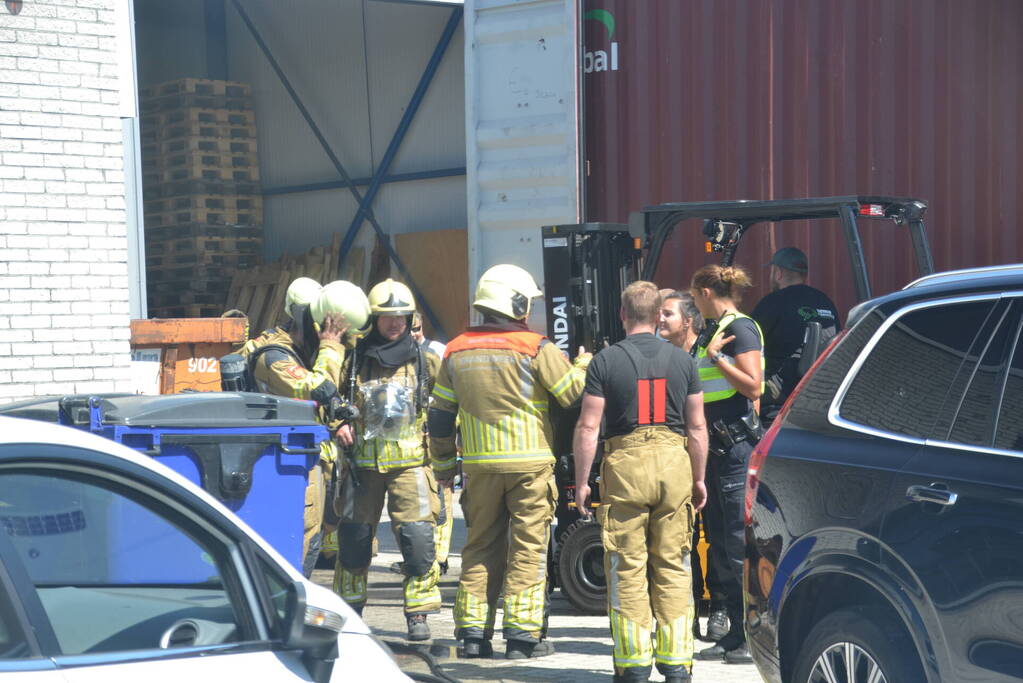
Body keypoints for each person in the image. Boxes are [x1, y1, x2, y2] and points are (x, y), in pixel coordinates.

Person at [428, 264, 590, 660]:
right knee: (527, 549)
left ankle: (471, 635)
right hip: (530, 466)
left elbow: (440, 415)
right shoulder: (536, 346)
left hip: (480, 468)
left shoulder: (455, 349)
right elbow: (571, 395)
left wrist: (444, 465)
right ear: (516, 303)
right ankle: (520, 639)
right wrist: (584, 363)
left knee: (479, 546)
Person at [574, 282, 709, 683]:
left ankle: (633, 666)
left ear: (622, 315)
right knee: (673, 565)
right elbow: (697, 427)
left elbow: (587, 426)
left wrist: (583, 482)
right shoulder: (684, 361)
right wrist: (698, 478)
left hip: (625, 467)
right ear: (657, 317)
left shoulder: (604, 361)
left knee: (627, 566)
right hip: (673, 464)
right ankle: (677, 665)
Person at [331, 279, 442, 641]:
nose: (395, 323)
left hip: (411, 466)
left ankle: (419, 614)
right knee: (353, 541)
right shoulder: (354, 361)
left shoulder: (426, 361)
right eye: (387, 317)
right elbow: (326, 396)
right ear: (373, 320)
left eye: (401, 316)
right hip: (362, 468)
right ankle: (350, 611)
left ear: (411, 318)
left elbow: (447, 403)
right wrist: (337, 423)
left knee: (419, 540)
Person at [243, 277, 367, 577]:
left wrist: (338, 422)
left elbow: (328, 403)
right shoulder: (273, 354)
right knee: (300, 536)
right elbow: (314, 388)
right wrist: (330, 347)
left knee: (311, 534)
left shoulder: (299, 349)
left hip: (300, 457)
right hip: (278, 460)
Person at [689, 265, 764, 665]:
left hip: (735, 450)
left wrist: (717, 357)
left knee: (738, 544)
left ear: (705, 292)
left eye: (693, 296)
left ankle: (753, 639)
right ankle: (735, 631)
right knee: (720, 542)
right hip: (716, 451)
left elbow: (754, 386)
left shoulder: (741, 328)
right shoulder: (712, 327)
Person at [658, 291, 729, 644]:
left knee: (715, 533)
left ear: (688, 320)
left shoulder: (704, 350)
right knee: (681, 540)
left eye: (666, 313)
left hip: (709, 453)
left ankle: (718, 607)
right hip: (671, 458)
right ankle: (686, 614)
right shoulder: (658, 356)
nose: (658, 319)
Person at [751, 247, 840, 421]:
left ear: (777, 273)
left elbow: (748, 341)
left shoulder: (773, 302)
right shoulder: (825, 301)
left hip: (779, 390)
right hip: (816, 389)